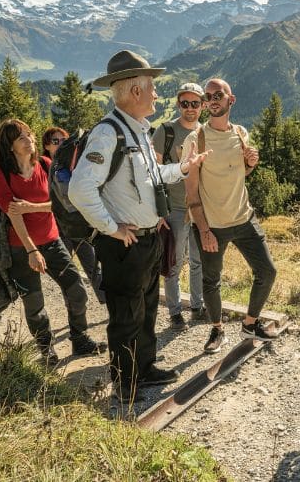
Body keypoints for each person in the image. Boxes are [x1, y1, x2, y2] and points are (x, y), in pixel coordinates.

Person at [69, 50, 209, 404]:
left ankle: (144, 369)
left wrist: (182, 168)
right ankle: (125, 383)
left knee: (146, 310)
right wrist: (111, 227)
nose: (157, 96)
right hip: (124, 245)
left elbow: (151, 177)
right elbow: (79, 189)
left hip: (147, 241)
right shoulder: (107, 134)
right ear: (135, 92)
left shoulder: (138, 132)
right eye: (153, 89)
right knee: (126, 316)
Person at [0, 118, 107, 366]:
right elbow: (13, 214)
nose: (29, 140)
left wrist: (32, 206)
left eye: (29, 134)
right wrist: (32, 250)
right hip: (21, 247)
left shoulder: (46, 164)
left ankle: (80, 338)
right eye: (21, 137)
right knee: (34, 303)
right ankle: (46, 349)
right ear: (10, 146)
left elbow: (61, 202)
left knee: (76, 289)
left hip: (52, 241)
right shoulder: (0, 174)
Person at [183, 78, 278, 355]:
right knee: (211, 280)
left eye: (217, 95)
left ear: (230, 99)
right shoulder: (195, 139)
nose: (212, 100)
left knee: (267, 271)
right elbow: (191, 193)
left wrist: (250, 164)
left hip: (244, 218)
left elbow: (241, 174)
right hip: (212, 226)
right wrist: (203, 230)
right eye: (208, 96)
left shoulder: (240, 133)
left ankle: (250, 324)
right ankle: (217, 329)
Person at [151, 83, 206, 330]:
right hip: (174, 209)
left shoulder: (205, 133)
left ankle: (197, 307)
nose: (190, 108)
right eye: (185, 103)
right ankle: (175, 313)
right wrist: (158, 213)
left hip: (200, 209)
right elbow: (153, 174)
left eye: (195, 103)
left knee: (198, 261)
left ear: (203, 106)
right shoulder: (166, 132)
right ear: (178, 104)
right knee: (174, 262)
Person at [41, 126, 106, 304]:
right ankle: (75, 309)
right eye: (56, 141)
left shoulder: (74, 164)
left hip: (78, 224)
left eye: (64, 140)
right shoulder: (46, 165)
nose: (61, 143)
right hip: (57, 227)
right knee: (68, 271)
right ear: (47, 146)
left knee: (93, 266)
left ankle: (106, 302)